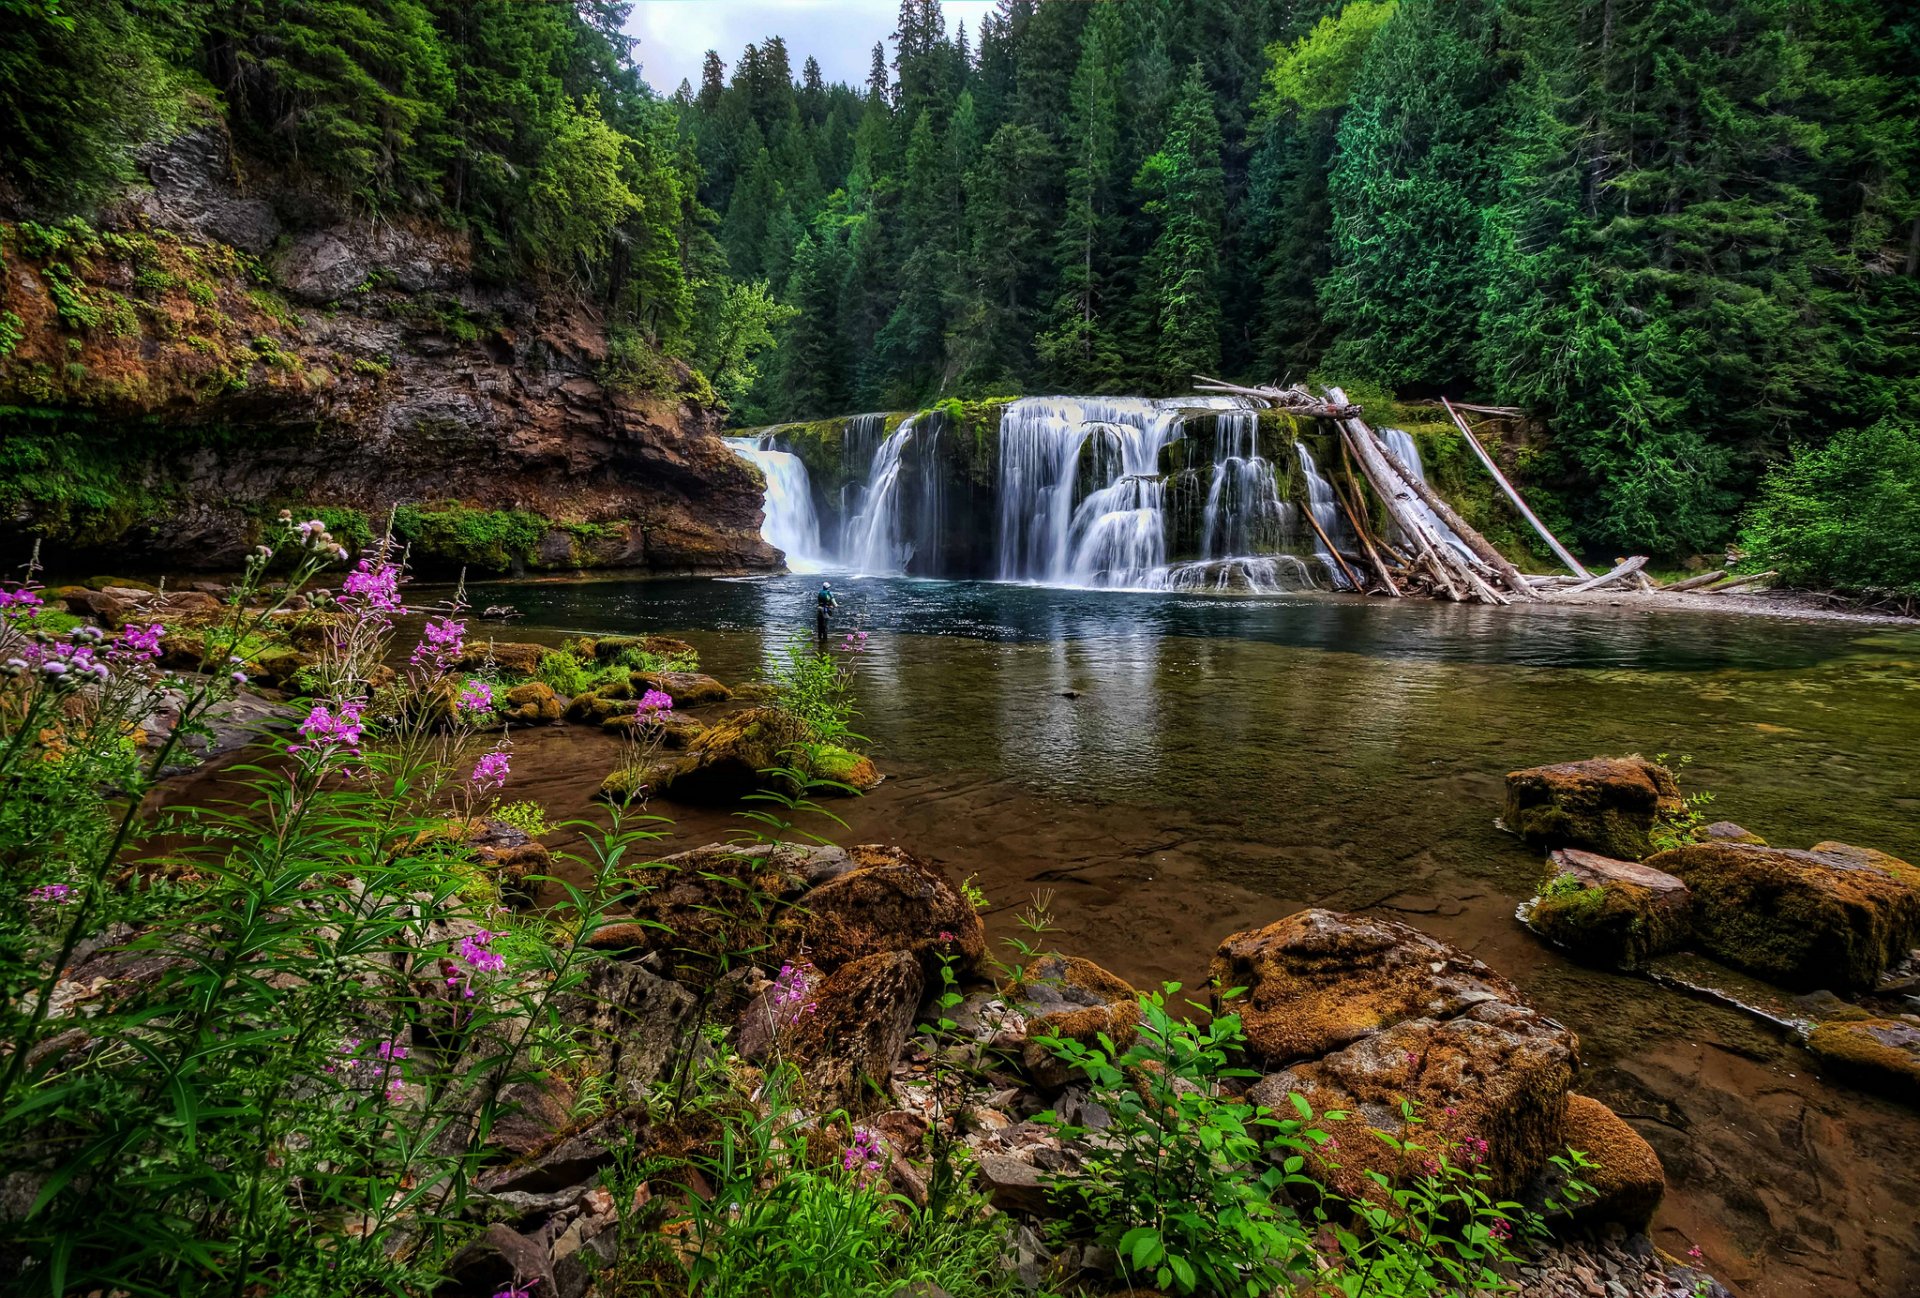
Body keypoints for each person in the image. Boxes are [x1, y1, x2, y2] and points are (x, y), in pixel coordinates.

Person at [814, 580, 838, 646]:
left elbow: (820, 601)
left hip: (819, 609)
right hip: (825, 611)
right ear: (828, 587)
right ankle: (825, 641)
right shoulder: (829, 593)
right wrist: (835, 606)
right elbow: (834, 602)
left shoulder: (820, 593)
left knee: (819, 625)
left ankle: (819, 639)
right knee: (825, 626)